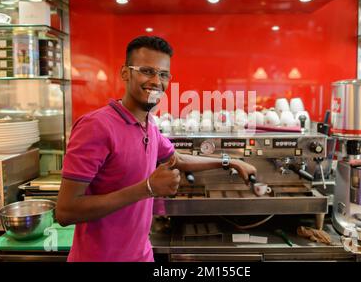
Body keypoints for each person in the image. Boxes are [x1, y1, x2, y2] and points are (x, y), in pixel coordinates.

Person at [56, 36, 257, 262]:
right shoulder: (96, 126)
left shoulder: (148, 124)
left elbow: (177, 158)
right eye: (147, 71)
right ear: (125, 73)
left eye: (163, 75)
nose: (156, 81)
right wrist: (148, 188)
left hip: (142, 255)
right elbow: (66, 211)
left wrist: (229, 161)